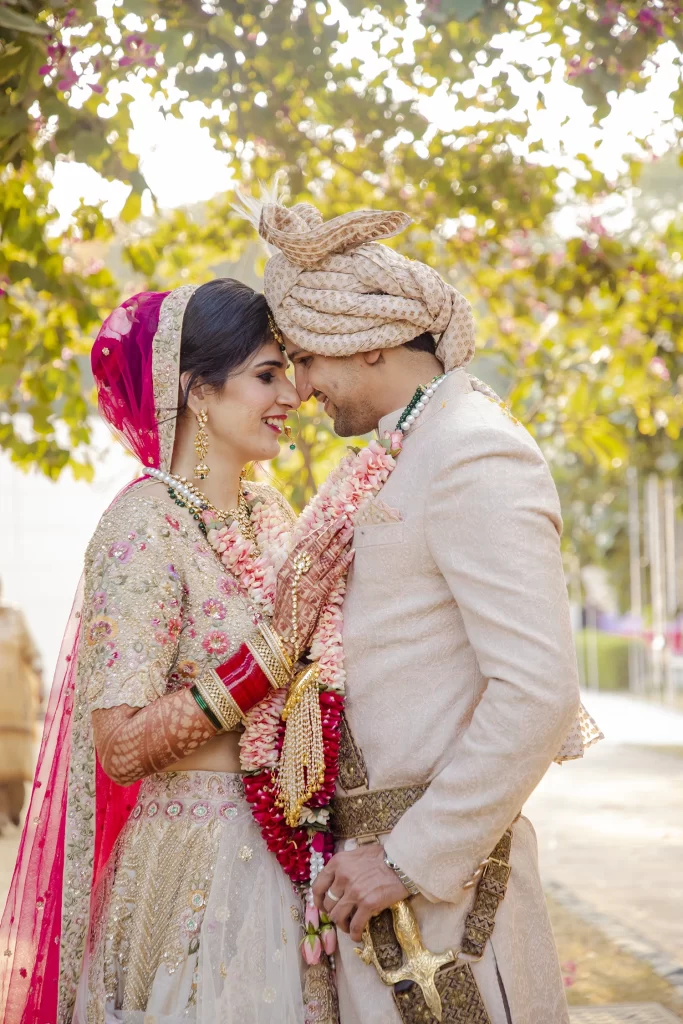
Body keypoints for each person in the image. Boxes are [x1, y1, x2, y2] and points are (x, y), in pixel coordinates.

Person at [240, 198, 603, 1024]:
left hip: (446, 909)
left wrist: (407, 858)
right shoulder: (404, 449)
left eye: (303, 358)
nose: (298, 388)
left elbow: (537, 692)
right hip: (377, 897)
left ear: (369, 338)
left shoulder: (474, 448)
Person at [0, 279, 352, 1024]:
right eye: (266, 373)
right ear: (197, 390)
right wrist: (264, 658)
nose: (291, 393)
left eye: (288, 370)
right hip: (194, 859)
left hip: (295, 852)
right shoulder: (141, 528)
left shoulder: (270, 513)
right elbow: (121, 747)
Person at [0, 578, 43, 833]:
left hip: (14, 705)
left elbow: (33, 653)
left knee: (14, 763)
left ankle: (14, 808)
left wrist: (39, 681)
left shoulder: (14, 617)